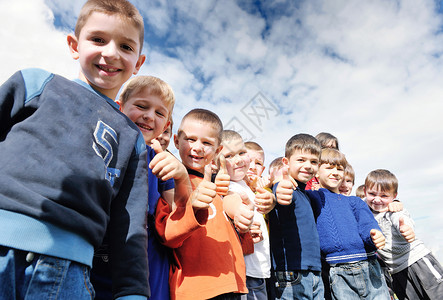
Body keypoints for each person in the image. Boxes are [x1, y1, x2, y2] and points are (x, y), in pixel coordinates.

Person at [0, 0, 149, 299]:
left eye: (126, 46)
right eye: (98, 39)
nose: (111, 53)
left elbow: (129, 226)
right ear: (74, 45)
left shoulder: (133, 140)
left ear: (138, 63)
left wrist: (132, 293)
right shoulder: (36, 84)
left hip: (67, 273)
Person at [92, 75, 185, 300]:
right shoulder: (100, 146)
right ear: (119, 106)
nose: (149, 116)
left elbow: (174, 212)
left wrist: (182, 177)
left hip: (147, 259)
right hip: (100, 256)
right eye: (141, 106)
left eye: (160, 113)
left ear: (167, 124)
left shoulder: (160, 160)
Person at [155, 109, 252, 300]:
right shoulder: (171, 183)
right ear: (176, 141)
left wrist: (244, 224)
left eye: (207, 142)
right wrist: (193, 208)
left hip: (233, 285)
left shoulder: (218, 189)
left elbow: (243, 247)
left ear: (217, 151)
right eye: (190, 139)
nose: (198, 147)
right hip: (195, 289)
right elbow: (167, 237)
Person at [306, 149, 390, 300]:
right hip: (338, 273)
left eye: (339, 168)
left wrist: (374, 234)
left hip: (369, 267)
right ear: (316, 172)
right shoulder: (313, 198)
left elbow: (367, 223)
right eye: (329, 167)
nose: (335, 172)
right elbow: (294, 196)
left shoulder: (354, 202)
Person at [364, 169, 443, 300]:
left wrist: (407, 229)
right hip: (396, 271)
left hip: (417, 261)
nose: (377, 199)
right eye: (372, 194)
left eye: (384, 196)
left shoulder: (394, 211)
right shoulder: (364, 210)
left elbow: (403, 220)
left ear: (394, 196)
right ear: (366, 191)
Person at [269, 133, 324, 299]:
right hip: (291, 272)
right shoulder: (285, 187)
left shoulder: (306, 195)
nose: (308, 165)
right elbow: (281, 194)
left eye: (313, 162)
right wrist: (281, 188)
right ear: (286, 162)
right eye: (301, 160)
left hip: (314, 271)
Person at [221, 131, 273, 300]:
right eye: (229, 155)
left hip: (258, 270)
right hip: (246, 272)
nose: (238, 160)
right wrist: (240, 215)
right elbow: (231, 201)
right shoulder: (228, 187)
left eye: (242, 153)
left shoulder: (246, 186)